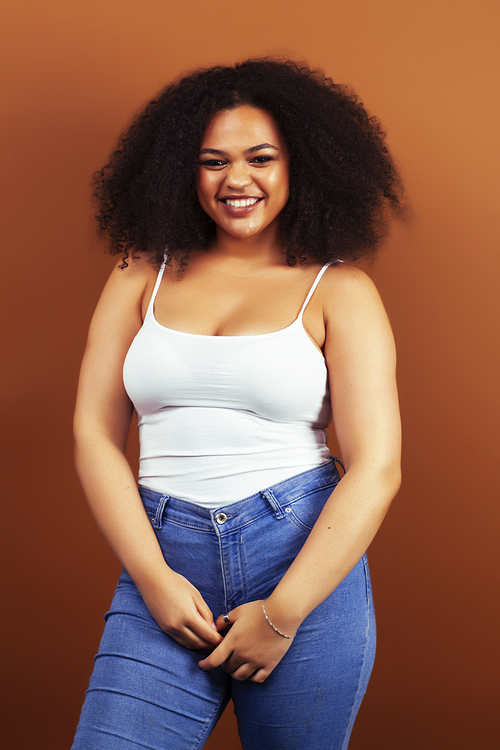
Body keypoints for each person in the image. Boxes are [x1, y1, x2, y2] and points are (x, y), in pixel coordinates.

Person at [72, 58, 404, 750]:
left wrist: (283, 614)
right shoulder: (142, 270)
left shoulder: (339, 291)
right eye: (212, 161)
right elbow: (93, 433)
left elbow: (377, 466)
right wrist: (154, 580)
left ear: (300, 165)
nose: (236, 180)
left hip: (302, 560)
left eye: (261, 158)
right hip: (163, 554)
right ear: (180, 171)